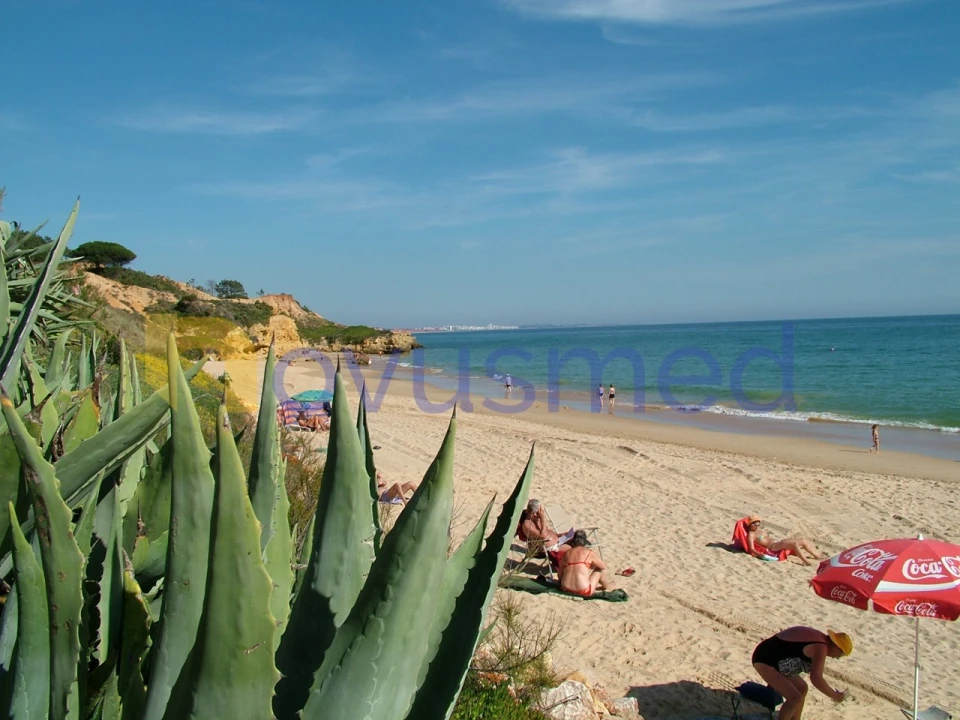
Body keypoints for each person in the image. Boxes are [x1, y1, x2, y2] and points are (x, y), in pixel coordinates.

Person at [751, 626, 852, 720]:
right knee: (795, 698)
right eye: (838, 656)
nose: (835, 658)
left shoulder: (820, 639)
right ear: (836, 648)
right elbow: (816, 679)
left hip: (774, 657)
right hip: (765, 660)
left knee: (802, 688)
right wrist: (835, 696)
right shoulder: (821, 647)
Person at [744, 516, 824, 566]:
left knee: (803, 540)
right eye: (754, 524)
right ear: (750, 524)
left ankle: (816, 556)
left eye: (758, 524)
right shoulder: (751, 535)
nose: (757, 526)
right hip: (773, 547)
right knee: (794, 544)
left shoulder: (758, 529)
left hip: (778, 541)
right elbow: (751, 548)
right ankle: (806, 562)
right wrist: (759, 554)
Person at [558, 529, 616, 597]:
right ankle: (607, 586)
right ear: (585, 543)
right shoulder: (588, 552)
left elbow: (560, 575)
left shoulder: (566, 553)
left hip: (565, 588)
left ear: (573, 542)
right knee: (599, 570)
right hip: (583, 590)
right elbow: (603, 566)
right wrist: (591, 565)